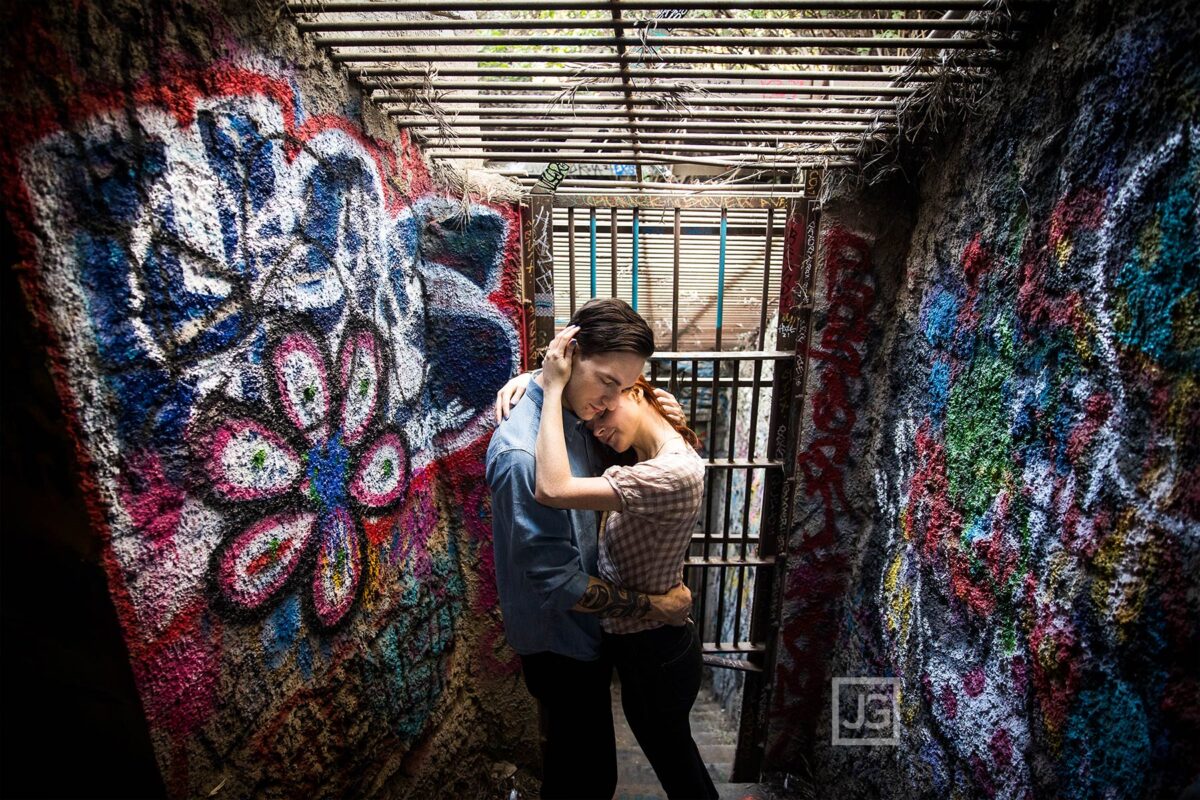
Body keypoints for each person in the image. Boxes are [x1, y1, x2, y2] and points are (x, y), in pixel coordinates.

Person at [485, 298, 693, 800]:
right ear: (569, 353)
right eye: (607, 382)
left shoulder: (575, 417)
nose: (610, 400)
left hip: (586, 637)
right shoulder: (521, 456)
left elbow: (619, 416)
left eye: (622, 389)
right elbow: (561, 584)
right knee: (586, 780)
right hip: (561, 645)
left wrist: (539, 380)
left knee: (585, 773)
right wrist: (653, 606)